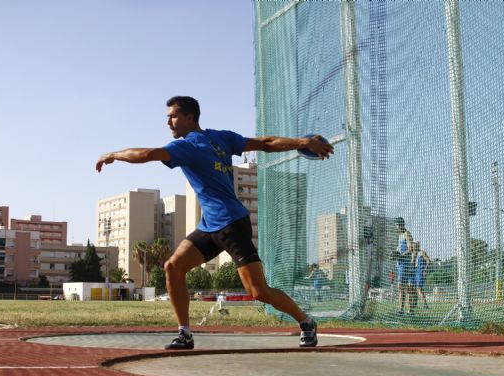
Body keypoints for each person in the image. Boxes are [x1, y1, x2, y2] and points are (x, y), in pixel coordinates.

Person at [96, 96, 334, 349]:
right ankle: (184, 333)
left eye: (173, 116)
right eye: (167, 117)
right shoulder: (212, 140)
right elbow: (266, 143)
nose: (168, 122)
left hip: (232, 224)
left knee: (258, 291)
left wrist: (113, 154)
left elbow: (147, 154)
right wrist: (302, 142)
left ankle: (306, 321)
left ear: (190, 117)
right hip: (209, 226)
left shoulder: (195, 144)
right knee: (172, 267)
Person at [394, 217, 413, 315]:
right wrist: (395, 254)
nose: (395, 227)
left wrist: (401, 255)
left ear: (400, 224)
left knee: (403, 287)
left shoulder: (407, 234)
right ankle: (402, 310)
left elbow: (410, 249)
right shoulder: (400, 235)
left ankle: (408, 310)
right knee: (401, 288)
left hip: (405, 264)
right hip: (400, 263)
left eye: (396, 225)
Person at [409, 241, 430, 311]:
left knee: (419, 288)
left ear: (417, 246)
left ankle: (425, 304)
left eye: (415, 246)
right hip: (414, 272)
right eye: (413, 247)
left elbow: (428, 261)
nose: (414, 248)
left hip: (420, 272)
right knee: (413, 289)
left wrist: (425, 270)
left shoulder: (422, 253)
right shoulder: (413, 254)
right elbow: (412, 264)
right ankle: (414, 304)